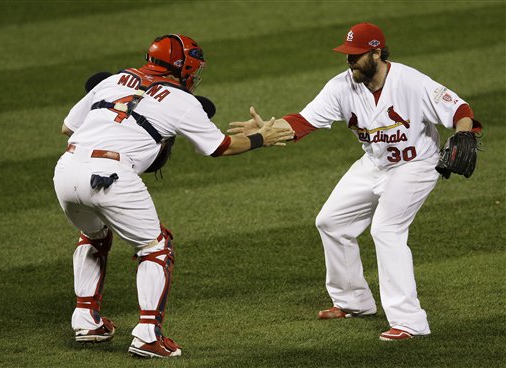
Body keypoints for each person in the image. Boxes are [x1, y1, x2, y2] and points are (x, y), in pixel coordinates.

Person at [228, 23, 482, 341]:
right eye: (347, 55)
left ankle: (410, 321)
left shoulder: (410, 82)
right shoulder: (341, 87)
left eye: (357, 55)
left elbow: (460, 108)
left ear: (377, 52)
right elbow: (304, 121)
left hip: (415, 165)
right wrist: (267, 130)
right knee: (331, 222)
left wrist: (463, 132)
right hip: (375, 163)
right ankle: (353, 302)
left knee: (387, 229)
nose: (350, 62)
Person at [53, 34, 294, 358]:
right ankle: (148, 336)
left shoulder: (112, 80)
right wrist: (259, 138)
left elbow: (68, 127)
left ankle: (86, 321)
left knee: (94, 234)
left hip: (66, 169)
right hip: (111, 175)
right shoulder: (181, 100)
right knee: (156, 246)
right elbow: (219, 147)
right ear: (186, 68)